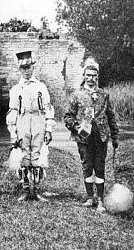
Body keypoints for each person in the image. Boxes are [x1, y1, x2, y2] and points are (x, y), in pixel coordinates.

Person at [64, 58, 119, 213]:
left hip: (101, 136)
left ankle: (100, 199)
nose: (91, 78)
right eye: (88, 75)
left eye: (94, 76)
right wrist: (77, 127)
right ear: (84, 76)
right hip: (83, 137)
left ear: (97, 77)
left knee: (99, 167)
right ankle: (90, 197)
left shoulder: (104, 95)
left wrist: (115, 136)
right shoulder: (76, 95)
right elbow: (67, 117)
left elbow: (111, 117)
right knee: (87, 166)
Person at [6, 51, 55, 202]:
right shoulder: (16, 89)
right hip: (23, 121)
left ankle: (36, 190)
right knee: (24, 154)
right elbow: (13, 111)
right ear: (19, 70)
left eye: (29, 67)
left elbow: (48, 108)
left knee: (37, 154)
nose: (26, 71)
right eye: (23, 68)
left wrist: (48, 129)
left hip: (38, 120)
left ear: (33, 68)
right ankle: (26, 189)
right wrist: (13, 133)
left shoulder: (41, 87)